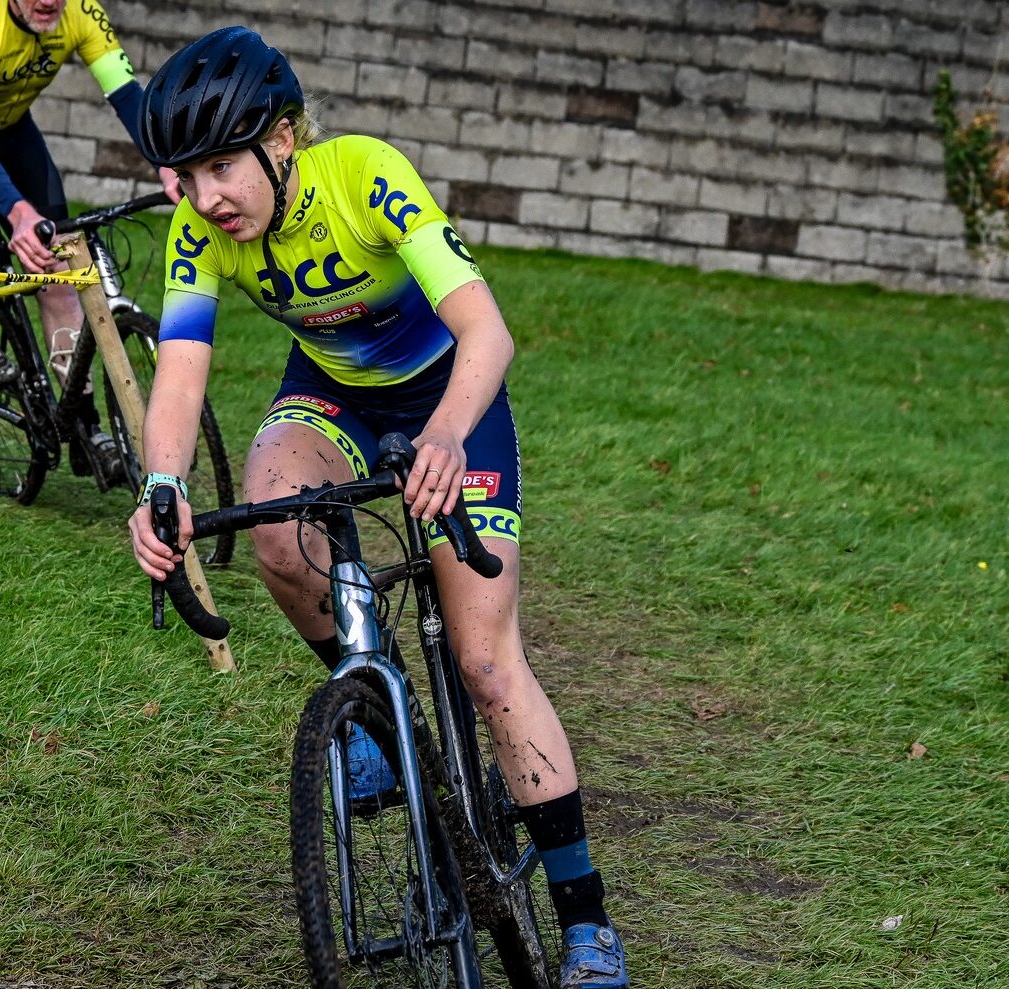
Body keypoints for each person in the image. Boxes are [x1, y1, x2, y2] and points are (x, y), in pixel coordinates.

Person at [125, 26, 628, 989]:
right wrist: (164, 486)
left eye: (223, 166)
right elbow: (181, 372)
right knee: (275, 525)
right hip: (332, 394)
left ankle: (587, 921)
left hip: (450, 398)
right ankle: (381, 712)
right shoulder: (199, 228)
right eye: (187, 175)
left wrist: (442, 434)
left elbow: (486, 327)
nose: (205, 197)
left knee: (486, 659)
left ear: (282, 139)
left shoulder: (365, 176)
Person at [0, 0, 177, 472]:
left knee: (59, 270)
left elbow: (128, 95)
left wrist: (168, 163)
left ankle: (85, 425)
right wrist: (19, 215)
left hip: (7, 127)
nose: (49, 1)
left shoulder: (82, 12)